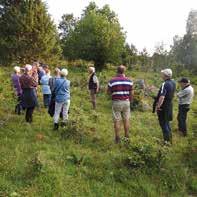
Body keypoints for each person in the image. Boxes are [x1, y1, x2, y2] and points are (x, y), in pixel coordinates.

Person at [107, 65, 133, 143]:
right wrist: (130, 101)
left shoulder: (112, 81)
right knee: (126, 119)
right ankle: (127, 137)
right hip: (126, 102)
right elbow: (131, 93)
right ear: (124, 71)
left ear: (117, 71)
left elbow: (108, 92)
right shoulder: (129, 81)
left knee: (117, 120)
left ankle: (117, 138)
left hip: (116, 102)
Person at [155, 69, 176, 144]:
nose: (161, 75)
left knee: (163, 123)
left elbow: (162, 97)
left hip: (163, 106)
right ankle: (170, 139)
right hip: (169, 105)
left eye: (162, 74)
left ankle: (166, 142)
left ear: (165, 75)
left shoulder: (165, 84)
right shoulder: (173, 82)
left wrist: (158, 106)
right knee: (167, 122)